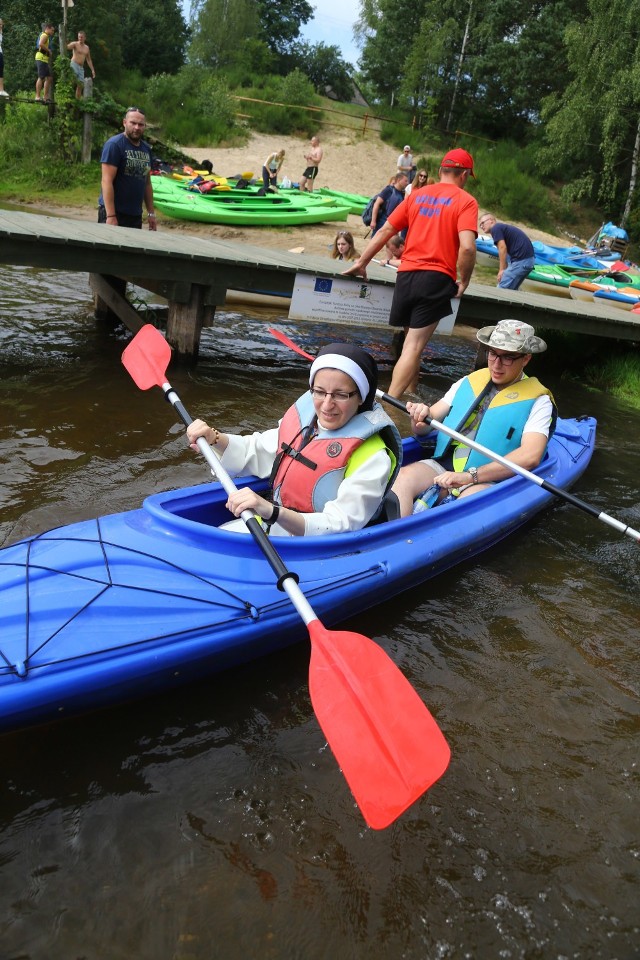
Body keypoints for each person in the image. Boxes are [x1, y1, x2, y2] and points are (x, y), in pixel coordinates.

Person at [185, 343, 402, 536]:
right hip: (278, 524)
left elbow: (340, 524)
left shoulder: (373, 457)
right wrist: (214, 438)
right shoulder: (306, 424)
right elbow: (257, 450)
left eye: (340, 394)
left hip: (321, 547)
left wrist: (271, 511)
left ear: (361, 397)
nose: (326, 405)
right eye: (319, 392)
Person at [343, 148, 479, 398]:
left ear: (440, 171)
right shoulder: (466, 201)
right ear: (465, 175)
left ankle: (412, 392)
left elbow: (384, 230)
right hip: (436, 278)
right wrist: (465, 280)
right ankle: (389, 405)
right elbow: (468, 247)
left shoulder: (417, 195)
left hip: (406, 275)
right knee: (415, 346)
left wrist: (362, 261)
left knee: (410, 345)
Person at [391, 319, 555, 517]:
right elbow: (424, 426)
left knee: (462, 509)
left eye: (508, 357)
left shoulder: (540, 401)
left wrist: (469, 477)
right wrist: (419, 416)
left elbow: (530, 456)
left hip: (490, 478)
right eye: (493, 353)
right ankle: (396, 535)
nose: (497, 364)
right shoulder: (469, 381)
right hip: (444, 465)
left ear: (526, 359)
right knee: (401, 479)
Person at [98, 106, 156, 230]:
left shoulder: (146, 149)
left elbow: (147, 183)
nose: (137, 127)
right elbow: (106, 181)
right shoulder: (114, 145)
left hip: (135, 215)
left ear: (145, 126)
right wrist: (111, 215)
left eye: (141, 124)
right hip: (114, 213)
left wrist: (151, 214)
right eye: (133, 123)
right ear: (124, 122)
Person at [478, 213, 536, 290]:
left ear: (491, 221)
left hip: (521, 261)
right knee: (512, 291)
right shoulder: (501, 228)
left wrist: (501, 270)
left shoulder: (496, 228)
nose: (481, 226)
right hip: (528, 261)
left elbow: (502, 248)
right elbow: (505, 252)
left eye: (483, 223)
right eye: (480, 225)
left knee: (501, 289)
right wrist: (504, 269)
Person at [67, 30, 95, 99]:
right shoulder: (75, 44)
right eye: (79, 37)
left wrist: (92, 70)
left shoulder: (87, 48)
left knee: (80, 84)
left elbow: (88, 59)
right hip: (74, 64)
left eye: (81, 37)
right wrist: (66, 42)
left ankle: (77, 101)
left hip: (81, 67)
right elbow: (67, 47)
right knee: (72, 81)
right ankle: (68, 98)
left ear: (85, 38)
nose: (80, 38)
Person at [35, 23, 55, 103]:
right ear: (48, 28)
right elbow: (40, 44)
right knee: (41, 77)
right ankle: (37, 96)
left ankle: (45, 96)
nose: (53, 32)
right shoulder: (45, 35)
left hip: (44, 59)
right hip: (41, 58)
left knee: (49, 78)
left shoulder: (46, 36)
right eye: (52, 30)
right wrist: (48, 50)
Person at [0, 19, 8, 97]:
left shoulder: (1, 32)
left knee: (1, 72)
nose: (1, 26)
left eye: (1, 24)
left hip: (0, 52)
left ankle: (1, 90)